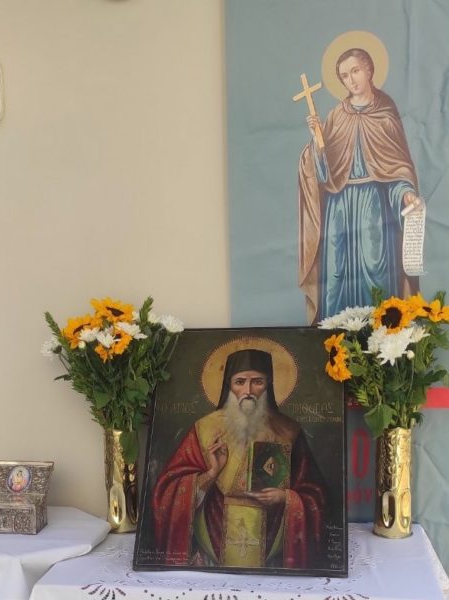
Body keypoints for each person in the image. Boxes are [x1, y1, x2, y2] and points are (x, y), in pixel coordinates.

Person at [151, 349, 327, 569]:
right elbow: (168, 492)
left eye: (257, 382)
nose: (248, 391)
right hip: (211, 550)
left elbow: (315, 495)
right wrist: (212, 473)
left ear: (269, 384)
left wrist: (285, 497)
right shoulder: (204, 429)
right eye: (240, 382)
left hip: (272, 551)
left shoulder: (289, 431)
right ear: (229, 385)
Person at [298, 47, 420, 324]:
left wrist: (406, 193)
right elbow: (323, 173)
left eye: (355, 71)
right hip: (338, 207)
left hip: (374, 205)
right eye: (344, 75)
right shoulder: (336, 115)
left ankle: (381, 338)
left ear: (369, 70)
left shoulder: (386, 113)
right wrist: (317, 141)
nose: (351, 80)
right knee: (336, 274)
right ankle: (335, 336)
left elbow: (398, 165)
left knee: (375, 270)